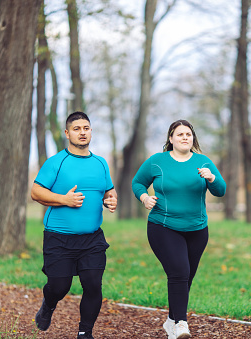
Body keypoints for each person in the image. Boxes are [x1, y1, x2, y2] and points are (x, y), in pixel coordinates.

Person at [132, 119, 226, 339]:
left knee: (186, 277)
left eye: (188, 134)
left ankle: (171, 321)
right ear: (171, 139)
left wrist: (211, 177)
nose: (185, 137)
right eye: (180, 134)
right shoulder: (157, 162)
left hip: (197, 229)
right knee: (179, 273)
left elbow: (220, 190)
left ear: (193, 138)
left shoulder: (203, 163)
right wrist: (144, 197)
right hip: (163, 226)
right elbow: (137, 182)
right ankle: (181, 324)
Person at [31, 111, 117, 339]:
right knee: (59, 286)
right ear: (67, 133)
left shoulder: (100, 163)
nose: (82, 132)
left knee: (93, 284)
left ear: (91, 132)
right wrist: (64, 199)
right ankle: (48, 305)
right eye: (77, 129)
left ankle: (84, 332)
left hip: (92, 238)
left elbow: (108, 189)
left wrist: (111, 199)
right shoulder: (57, 162)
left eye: (86, 128)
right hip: (59, 237)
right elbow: (36, 191)